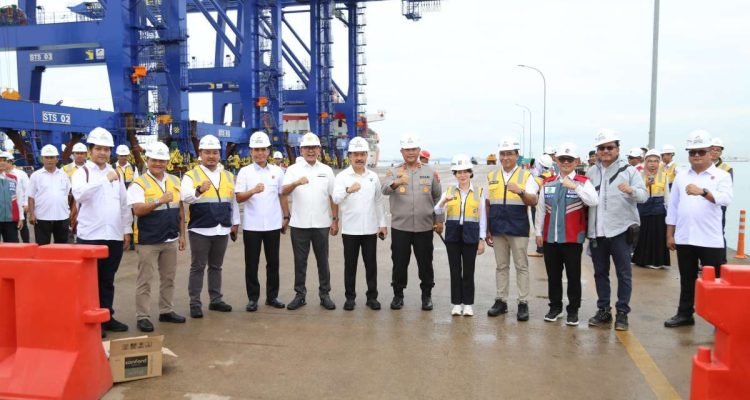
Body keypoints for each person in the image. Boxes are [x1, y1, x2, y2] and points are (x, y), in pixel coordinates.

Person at [664, 130, 732, 328]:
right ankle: (685, 314)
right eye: (692, 152)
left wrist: (703, 192)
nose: (696, 156)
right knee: (687, 279)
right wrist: (670, 233)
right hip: (685, 236)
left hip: (710, 238)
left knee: (715, 280)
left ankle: (719, 318)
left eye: (700, 151)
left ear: (710, 152)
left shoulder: (721, 176)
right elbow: (673, 206)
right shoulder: (681, 176)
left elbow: (726, 199)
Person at [72, 127, 133, 336]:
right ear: (90, 151)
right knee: (90, 282)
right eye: (98, 148)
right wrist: (104, 179)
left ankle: (106, 317)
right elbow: (80, 195)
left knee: (107, 280)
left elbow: (124, 204)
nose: (102, 153)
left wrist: (126, 230)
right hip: (90, 236)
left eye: (106, 149)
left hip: (113, 235)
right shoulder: (82, 173)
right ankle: (93, 321)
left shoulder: (117, 174)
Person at [585, 129, 647, 331]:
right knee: (600, 273)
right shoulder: (591, 172)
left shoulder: (629, 171)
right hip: (598, 233)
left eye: (610, 147)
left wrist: (631, 191)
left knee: (624, 274)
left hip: (621, 231)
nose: (605, 151)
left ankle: (622, 313)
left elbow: (644, 196)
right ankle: (604, 310)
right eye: (601, 148)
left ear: (617, 149)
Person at [535, 143, 598, 326]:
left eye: (569, 159)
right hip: (550, 238)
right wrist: (538, 232)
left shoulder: (583, 181)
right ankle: (555, 307)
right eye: (562, 159)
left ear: (576, 161)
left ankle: (573, 310)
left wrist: (575, 187)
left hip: (572, 239)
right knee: (553, 276)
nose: (565, 162)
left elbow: (593, 201)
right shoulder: (548, 182)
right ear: (556, 161)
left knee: (573, 276)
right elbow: (540, 210)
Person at [127, 142, 187, 332]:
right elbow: (137, 209)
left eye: (162, 160)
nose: (158, 164)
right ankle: (142, 316)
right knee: (145, 280)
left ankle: (166, 310)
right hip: (148, 240)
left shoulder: (175, 181)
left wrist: (182, 235)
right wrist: (158, 201)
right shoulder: (139, 183)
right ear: (148, 160)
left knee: (169, 278)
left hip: (170, 238)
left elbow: (180, 210)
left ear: (167, 162)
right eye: (154, 160)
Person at [181, 134, 240, 318]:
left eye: (215, 152)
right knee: (198, 266)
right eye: (207, 152)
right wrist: (199, 190)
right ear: (200, 154)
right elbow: (185, 197)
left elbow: (233, 201)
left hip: (222, 227)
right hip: (200, 228)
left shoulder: (228, 176)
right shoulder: (191, 175)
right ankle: (195, 303)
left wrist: (235, 223)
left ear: (219, 154)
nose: (211, 156)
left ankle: (216, 300)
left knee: (216, 266)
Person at [381, 134, 442, 311]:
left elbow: (438, 198)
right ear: (402, 152)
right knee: (399, 263)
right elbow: (384, 189)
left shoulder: (430, 172)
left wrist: (439, 220)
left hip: (424, 227)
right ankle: (398, 295)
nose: (410, 153)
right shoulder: (393, 172)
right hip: (401, 227)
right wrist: (397, 182)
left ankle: (426, 296)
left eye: (413, 149)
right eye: (407, 150)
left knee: (425, 263)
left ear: (419, 151)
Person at [282, 132, 338, 311]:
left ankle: (325, 295)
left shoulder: (326, 170)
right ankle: (300, 295)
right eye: (307, 148)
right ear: (301, 150)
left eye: (314, 147)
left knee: (323, 261)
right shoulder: (293, 170)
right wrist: (296, 183)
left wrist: (335, 220)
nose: (311, 151)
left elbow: (333, 197)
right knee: (300, 262)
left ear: (319, 150)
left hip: (322, 224)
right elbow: (283, 191)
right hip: (299, 224)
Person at [235, 132, 289, 312]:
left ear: (268, 151)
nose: (260, 153)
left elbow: (282, 195)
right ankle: (253, 298)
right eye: (256, 150)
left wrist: (286, 217)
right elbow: (239, 197)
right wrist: (252, 191)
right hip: (252, 226)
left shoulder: (277, 172)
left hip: (273, 224)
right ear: (250, 151)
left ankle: (272, 297)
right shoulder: (245, 172)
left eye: (263, 149)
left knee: (273, 263)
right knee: (252, 264)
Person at [486, 137, 539, 321]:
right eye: (503, 154)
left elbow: (533, 201)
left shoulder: (526, 176)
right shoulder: (492, 176)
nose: (506, 157)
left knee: (521, 266)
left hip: (518, 228)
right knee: (501, 266)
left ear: (517, 155)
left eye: (509, 154)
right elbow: (488, 203)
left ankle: (523, 302)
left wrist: (521, 192)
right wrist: (488, 229)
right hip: (498, 228)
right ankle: (501, 301)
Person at [332, 137, 387, 311]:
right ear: (349, 156)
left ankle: (372, 297)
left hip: (370, 229)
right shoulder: (342, 177)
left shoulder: (373, 177)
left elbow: (378, 201)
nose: (359, 158)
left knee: (371, 265)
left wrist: (382, 224)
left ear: (367, 155)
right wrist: (348, 190)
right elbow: (335, 198)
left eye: (362, 154)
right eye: (355, 154)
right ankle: (350, 298)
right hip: (350, 230)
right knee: (350, 266)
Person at [434, 154, 486, 317]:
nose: (462, 175)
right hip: (453, 237)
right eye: (458, 172)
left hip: (471, 236)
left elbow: (483, 218)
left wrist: (482, 239)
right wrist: (444, 201)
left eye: (465, 171)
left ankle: (468, 304)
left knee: (469, 271)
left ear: (470, 172)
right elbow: (437, 210)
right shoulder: (449, 191)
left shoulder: (479, 192)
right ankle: (456, 304)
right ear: (454, 174)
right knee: (455, 271)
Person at [632, 149, 671, 269]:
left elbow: (667, 195)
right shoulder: (638, 174)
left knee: (658, 235)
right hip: (643, 207)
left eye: (655, 161)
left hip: (658, 208)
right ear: (645, 162)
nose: (652, 164)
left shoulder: (664, 175)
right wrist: (646, 185)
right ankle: (641, 259)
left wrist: (669, 210)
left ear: (659, 162)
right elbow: (634, 191)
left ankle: (658, 261)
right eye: (650, 161)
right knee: (642, 234)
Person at [27, 145, 72, 244]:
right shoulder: (35, 176)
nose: (49, 160)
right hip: (42, 217)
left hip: (62, 216)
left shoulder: (64, 175)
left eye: (52, 157)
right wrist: (32, 214)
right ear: (42, 159)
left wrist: (69, 212)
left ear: (57, 159)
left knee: (62, 247)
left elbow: (67, 194)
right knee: (42, 246)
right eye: (47, 157)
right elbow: (31, 197)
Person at [709, 136, 733, 265]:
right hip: (704, 202)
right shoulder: (703, 165)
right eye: (712, 149)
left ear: (721, 152)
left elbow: (727, 189)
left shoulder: (726, 168)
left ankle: (721, 262)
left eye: (718, 150)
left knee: (719, 231)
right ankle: (705, 262)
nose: (715, 152)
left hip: (719, 204)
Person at [529, 154, 556, 258]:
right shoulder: (554, 176)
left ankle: (540, 250)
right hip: (551, 207)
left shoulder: (538, 179)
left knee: (539, 228)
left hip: (538, 207)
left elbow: (531, 193)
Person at [0, 151, 23, 242]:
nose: (2, 162)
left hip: (11, 220)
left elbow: (19, 199)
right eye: (0, 160)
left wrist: (21, 217)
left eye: (4, 160)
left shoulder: (13, 179)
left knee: (13, 246)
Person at [8, 157, 29, 242]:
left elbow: (27, 189)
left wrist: (26, 203)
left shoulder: (21, 173)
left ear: (10, 162)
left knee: (23, 226)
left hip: (20, 204)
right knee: (10, 227)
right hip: (7, 206)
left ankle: (26, 244)